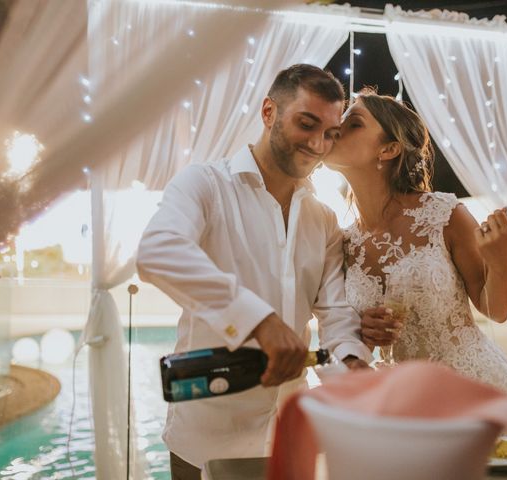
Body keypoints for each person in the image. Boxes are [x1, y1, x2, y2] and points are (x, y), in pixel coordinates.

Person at [137, 64, 372, 479]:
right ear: (269, 112)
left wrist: (353, 365)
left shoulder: (324, 219)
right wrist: (258, 321)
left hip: (287, 437)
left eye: (331, 133)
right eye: (307, 123)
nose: (319, 144)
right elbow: (158, 250)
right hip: (206, 438)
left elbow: (335, 313)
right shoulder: (205, 184)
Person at [324, 88, 507, 438]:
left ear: (388, 150)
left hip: (471, 396)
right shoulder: (343, 240)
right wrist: (363, 326)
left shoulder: (443, 214)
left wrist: (501, 259)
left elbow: (495, 309)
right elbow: (338, 321)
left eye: (354, 123)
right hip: (399, 406)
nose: (338, 128)